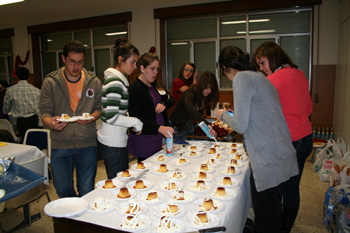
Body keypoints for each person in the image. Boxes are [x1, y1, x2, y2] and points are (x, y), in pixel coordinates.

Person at [216, 45, 298, 233]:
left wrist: (224, 115)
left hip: (269, 161)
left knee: (266, 222)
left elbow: (241, 125)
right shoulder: (260, 77)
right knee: (272, 215)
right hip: (281, 156)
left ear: (225, 68)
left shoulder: (241, 78)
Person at [252, 41, 313, 233]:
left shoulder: (272, 80)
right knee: (293, 187)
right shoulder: (300, 74)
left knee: (276, 188)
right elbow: (309, 108)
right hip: (306, 138)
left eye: (262, 63)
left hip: (287, 141)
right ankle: (286, 228)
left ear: (273, 58)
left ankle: (276, 227)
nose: (261, 69)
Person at [40, 40, 102, 198]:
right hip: (61, 144)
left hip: (86, 143)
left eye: (80, 62)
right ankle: (71, 219)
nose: (76, 67)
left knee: (87, 190)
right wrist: (51, 124)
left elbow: (98, 109)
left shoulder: (93, 81)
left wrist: (92, 118)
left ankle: (82, 221)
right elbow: (45, 113)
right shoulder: (51, 82)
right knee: (63, 190)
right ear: (63, 59)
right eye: (72, 62)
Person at [97, 38, 143, 179]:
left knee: (121, 180)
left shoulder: (118, 80)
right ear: (120, 60)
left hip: (115, 141)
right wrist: (135, 121)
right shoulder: (115, 82)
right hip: (112, 143)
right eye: (132, 62)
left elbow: (116, 111)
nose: (135, 67)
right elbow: (112, 116)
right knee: (119, 184)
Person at [127, 53, 175, 162]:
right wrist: (159, 128)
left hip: (158, 136)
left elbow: (171, 99)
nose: (156, 72)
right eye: (152, 69)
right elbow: (136, 117)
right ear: (142, 68)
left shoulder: (154, 85)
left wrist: (163, 103)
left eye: (157, 69)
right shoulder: (135, 89)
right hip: (145, 138)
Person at [170, 71, 219, 140]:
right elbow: (189, 108)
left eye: (211, 89)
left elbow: (198, 114)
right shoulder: (190, 92)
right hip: (178, 128)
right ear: (201, 85)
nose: (209, 91)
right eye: (207, 88)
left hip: (189, 127)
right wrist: (207, 124)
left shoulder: (203, 95)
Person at [3, 67, 41, 140]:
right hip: (34, 120)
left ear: (16, 76)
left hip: (20, 122)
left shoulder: (10, 90)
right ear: (29, 76)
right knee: (33, 140)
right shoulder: (37, 90)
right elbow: (40, 108)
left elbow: (5, 109)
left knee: (24, 140)